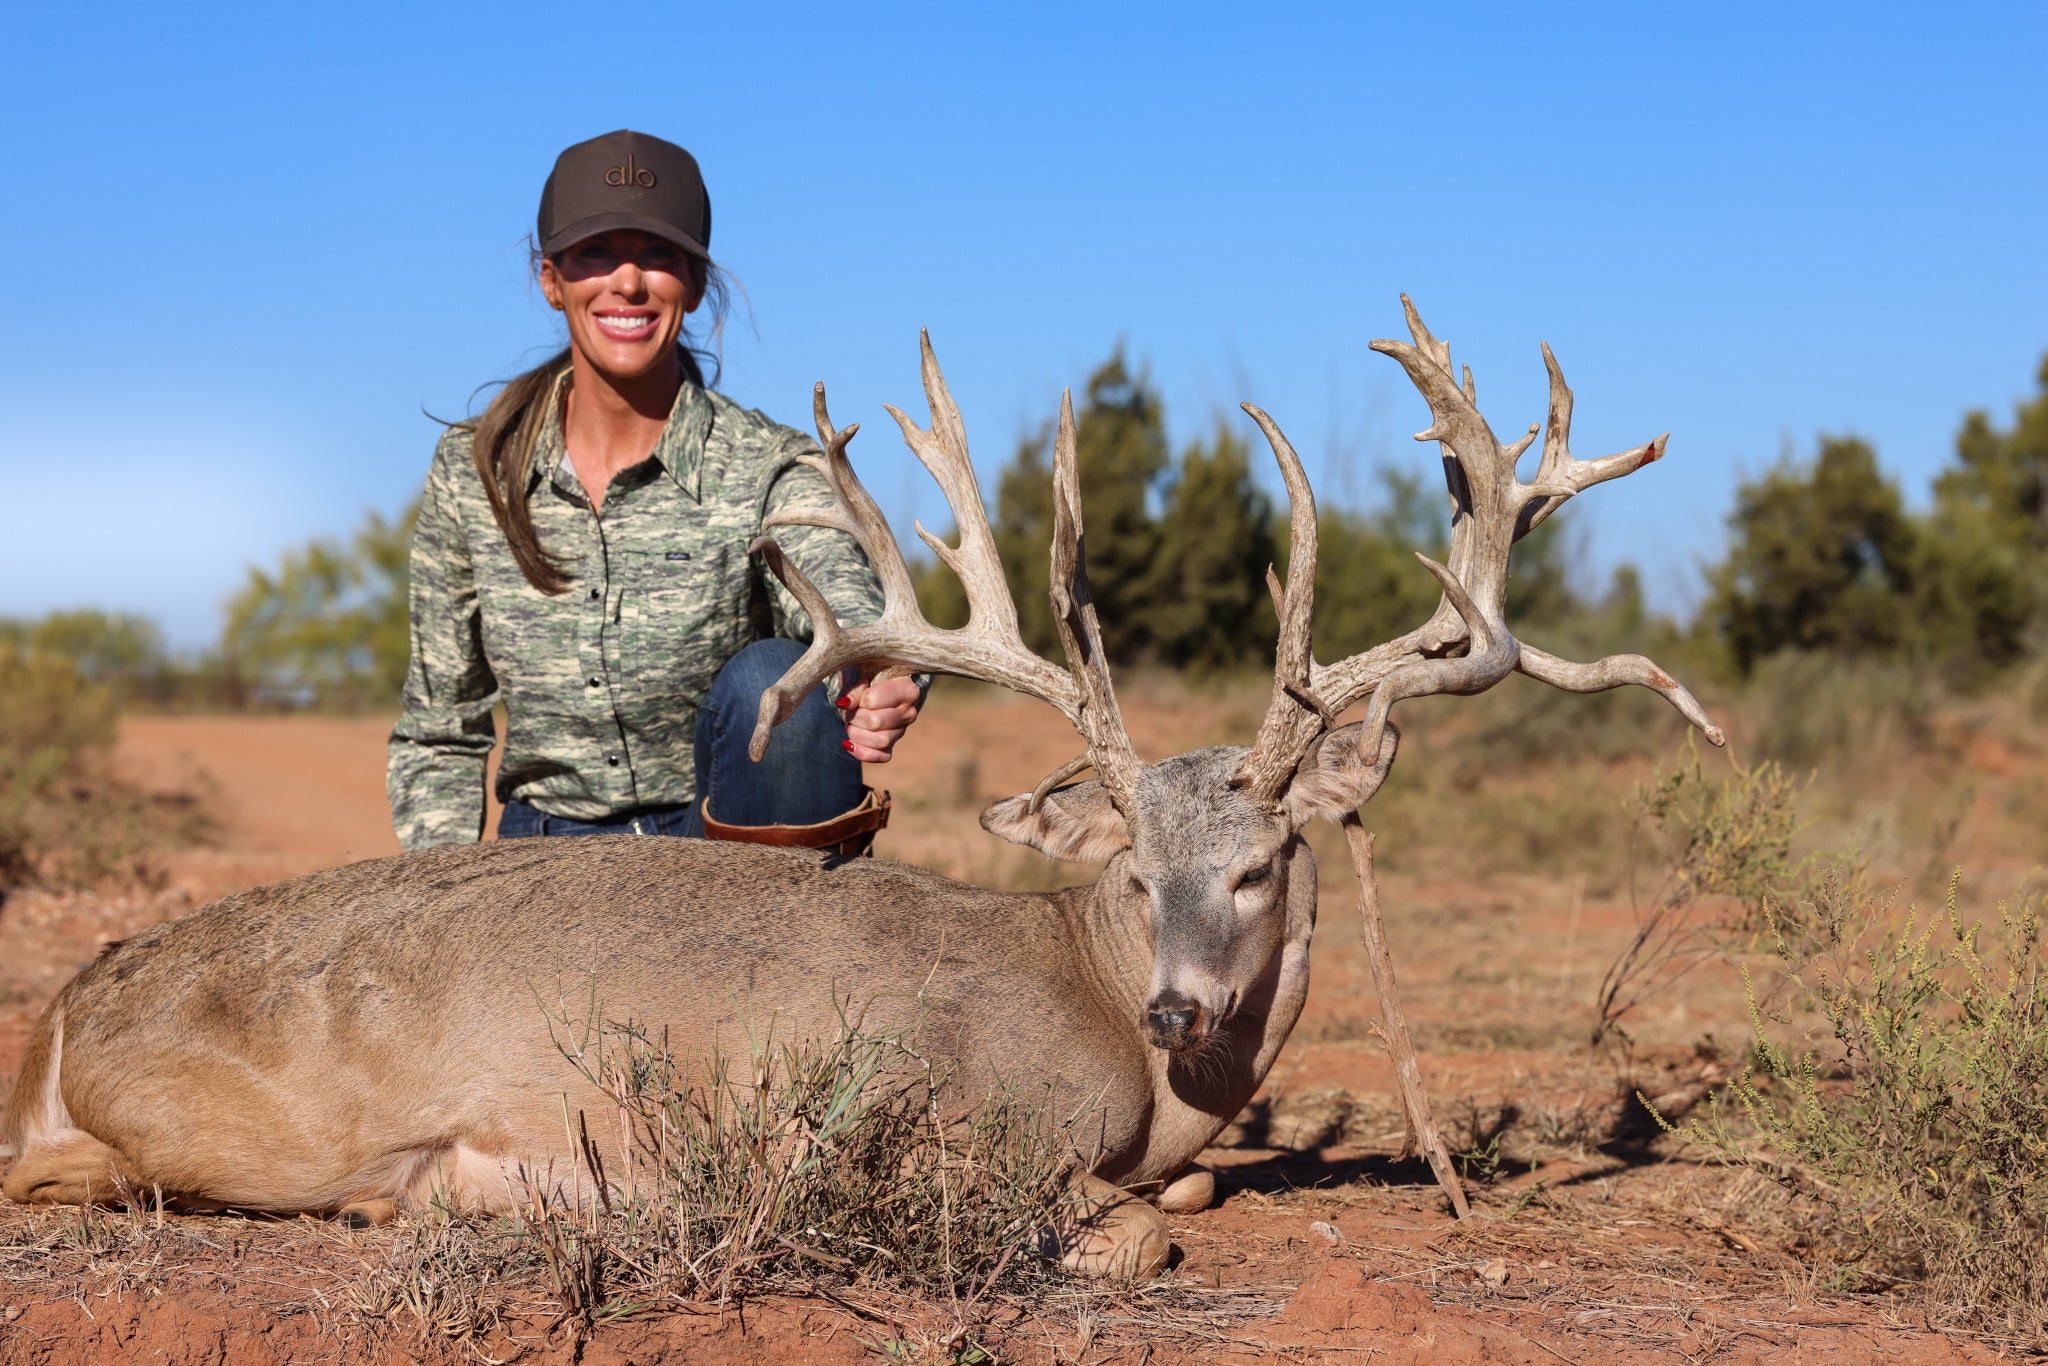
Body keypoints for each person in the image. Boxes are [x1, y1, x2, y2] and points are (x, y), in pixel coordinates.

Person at [388, 129, 922, 854]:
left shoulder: (766, 464)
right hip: (536, 861)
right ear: (550, 278)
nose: (628, 283)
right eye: (595, 252)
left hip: (714, 846)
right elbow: (440, 729)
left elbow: (848, 600)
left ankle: (795, 927)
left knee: (778, 684)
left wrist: (868, 670)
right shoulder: (474, 470)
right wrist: (445, 892)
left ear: (695, 283)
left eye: (658, 255)